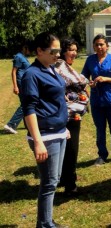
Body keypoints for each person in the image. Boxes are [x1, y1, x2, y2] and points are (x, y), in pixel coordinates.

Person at [21, 32, 69, 228]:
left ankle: (47, 221)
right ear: (39, 51)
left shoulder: (50, 69)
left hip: (58, 131)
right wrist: (38, 141)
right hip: (45, 136)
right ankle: (44, 224)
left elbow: (54, 98)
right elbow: (29, 109)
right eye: (54, 51)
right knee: (49, 183)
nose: (58, 54)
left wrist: (63, 125)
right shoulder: (31, 74)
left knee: (54, 180)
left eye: (59, 51)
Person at [81, 34, 111, 166]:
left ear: (107, 46)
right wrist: (89, 82)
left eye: (101, 44)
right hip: (96, 101)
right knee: (100, 130)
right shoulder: (90, 60)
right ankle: (102, 155)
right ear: (94, 46)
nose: (99, 47)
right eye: (96, 45)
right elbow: (83, 77)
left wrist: (106, 79)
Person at [55, 38, 89, 197]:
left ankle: (63, 178)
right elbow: (80, 81)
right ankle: (71, 184)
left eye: (76, 50)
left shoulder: (59, 65)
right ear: (63, 52)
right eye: (71, 50)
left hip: (66, 112)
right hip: (69, 114)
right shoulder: (61, 65)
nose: (74, 53)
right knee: (71, 148)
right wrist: (87, 82)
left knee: (64, 146)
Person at [3, 42, 31, 134]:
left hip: (24, 82)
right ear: (24, 47)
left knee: (25, 103)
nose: (29, 51)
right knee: (25, 104)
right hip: (21, 83)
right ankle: (11, 124)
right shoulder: (19, 57)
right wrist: (15, 86)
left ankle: (27, 124)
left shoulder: (23, 57)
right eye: (28, 49)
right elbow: (14, 72)